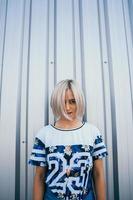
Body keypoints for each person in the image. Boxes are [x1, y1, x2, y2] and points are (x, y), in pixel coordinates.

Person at [29, 79, 108, 200]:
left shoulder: (93, 133)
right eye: (62, 102)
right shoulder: (43, 135)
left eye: (72, 101)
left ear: (79, 101)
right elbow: (39, 176)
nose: (67, 107)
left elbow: (98, 174)